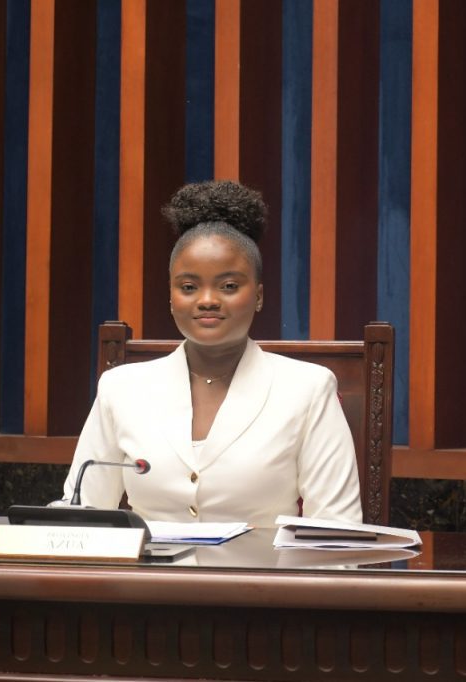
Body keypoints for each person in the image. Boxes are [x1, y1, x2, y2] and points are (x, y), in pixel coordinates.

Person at [62, 180, 362, 526]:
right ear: (171, 296)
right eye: (188, 287)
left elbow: (338, 532)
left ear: (260, 295)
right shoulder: (121, 388)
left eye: (229, 286)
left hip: (262, 579)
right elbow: (81, 516)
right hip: (148, 579)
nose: (207, 299)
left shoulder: (308, 389)